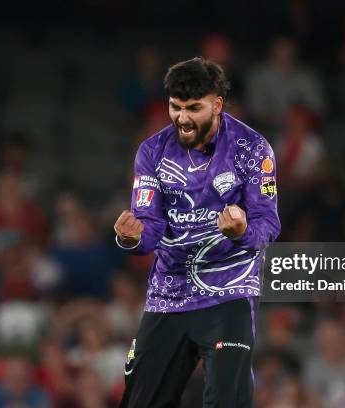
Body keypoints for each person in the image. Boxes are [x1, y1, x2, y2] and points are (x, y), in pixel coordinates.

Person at [113, 57, 280, 407]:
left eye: (193, 108)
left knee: (227, 401)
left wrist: (241, 231)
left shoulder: (253, 149)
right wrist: (130, 238)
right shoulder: (152, 151)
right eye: (175, 107)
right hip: (169, 294)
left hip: (229, 291)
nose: (182, 119)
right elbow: (150, 227)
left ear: (217, 104)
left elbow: (268, 224)